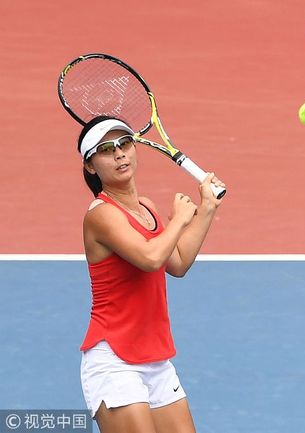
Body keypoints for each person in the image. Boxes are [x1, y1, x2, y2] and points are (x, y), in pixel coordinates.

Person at [77, 115, 225, 433]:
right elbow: (150, 258)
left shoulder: (146, 207)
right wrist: (178, 222)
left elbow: (178, 262)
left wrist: (206, 209)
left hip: (154, 359)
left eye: (124, 143)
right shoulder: (100, 215)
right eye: (106, 149)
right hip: (113, 359)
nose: (119, 154)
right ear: (90, 166)